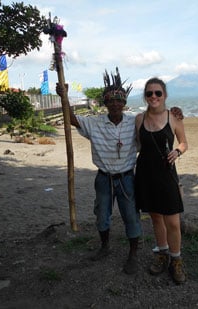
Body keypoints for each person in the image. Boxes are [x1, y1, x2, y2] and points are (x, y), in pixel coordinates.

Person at [56, 67, 141, 275]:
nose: (115, 104)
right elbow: (72, 119)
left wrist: (175, 113)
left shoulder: (135, 121)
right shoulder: (94, 123)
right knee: (102, 215)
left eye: (119, 100)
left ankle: (133, 254)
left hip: (127, 178)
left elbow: (158, 119)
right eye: (111, 100)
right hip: (104, 178)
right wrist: (64, 97)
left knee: (131, 216)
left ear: (124, 103)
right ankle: (104, 247)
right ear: (105, 103)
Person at [135, 77, 188, 284]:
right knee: (156, 218)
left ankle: (176, 260)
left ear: (164, 95)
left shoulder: (174, 117)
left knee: (173, 222)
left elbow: (184, 143)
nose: (154, 96)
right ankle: (162, 254)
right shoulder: (139, 119)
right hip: (145, 174)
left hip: (167, 174)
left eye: (158, 93)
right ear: (145, 97)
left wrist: (177, 151)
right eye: (149, 93)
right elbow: (139, 146)